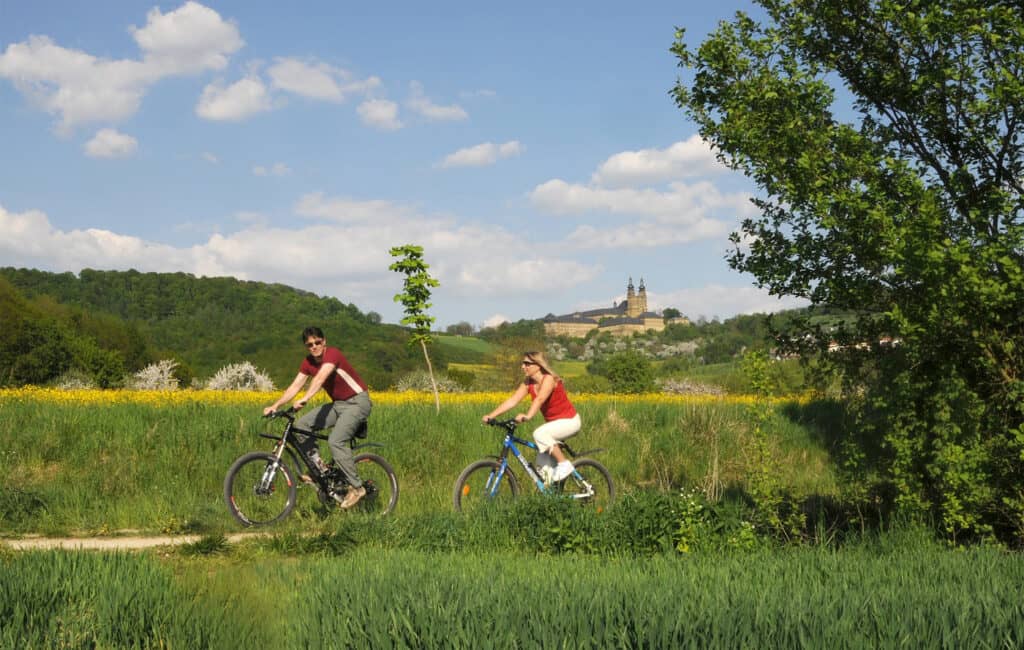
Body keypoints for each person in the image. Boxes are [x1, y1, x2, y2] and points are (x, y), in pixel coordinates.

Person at [264, 326, 371, 510]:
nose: (314, 347)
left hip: (357, 402)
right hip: (339, 405)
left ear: (324, 341)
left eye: (317, 342)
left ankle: (357, 487)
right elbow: (295, 386)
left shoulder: (333, 355)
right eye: (309, 345)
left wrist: (305, 399)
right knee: (302, 425)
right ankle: (319, 469)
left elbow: (320, 378)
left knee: (336, 441)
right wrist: (276, 405)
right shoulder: (308, 362)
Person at [482, 350, 580, 482]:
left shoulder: (549, 379)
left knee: (539, 434)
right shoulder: (528, 383)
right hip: (554, 425)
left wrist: (528, 416)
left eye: (527, 363)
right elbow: (513, 400)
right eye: (523, 363)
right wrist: (490, 415)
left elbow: (539, 399)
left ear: (538, 365)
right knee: (542, 470)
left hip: (570, 422)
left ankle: (564, 464)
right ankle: (554, 498)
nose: (523, 366)